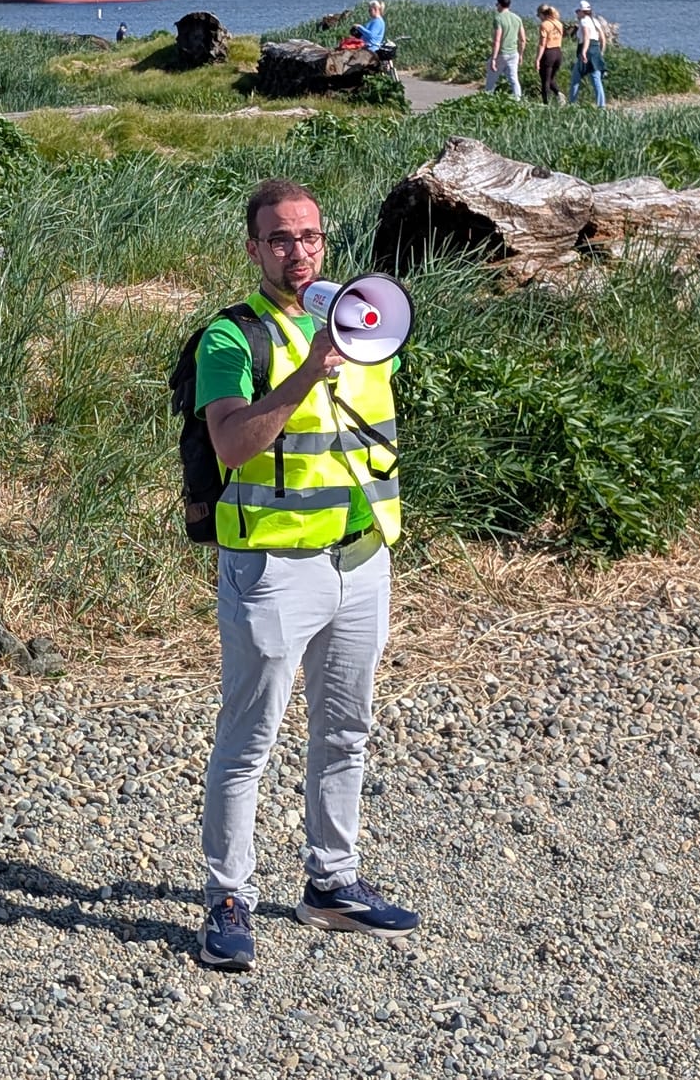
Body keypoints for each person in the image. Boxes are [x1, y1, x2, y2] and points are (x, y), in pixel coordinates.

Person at [192, 177, 420, 972]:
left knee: (346, 729)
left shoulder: (365, 325)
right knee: (249, 738)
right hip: (272, 568)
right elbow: (232, 446)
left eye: (311, 238)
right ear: (254, 249)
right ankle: (228, 896)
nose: (299, 252)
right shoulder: (230, 339)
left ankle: (333, 883)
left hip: (360, 559)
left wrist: (342, 346)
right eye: (281, 239)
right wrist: (307, 371)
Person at [486, 0, 526, 98]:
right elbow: (522, 39)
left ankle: (487, 99)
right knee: (514, 79)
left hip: (501, 54)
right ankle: (518, 100)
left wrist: (494, 58)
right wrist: (521, 54)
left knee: (491, 81)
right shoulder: (517, 18)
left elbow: (497, 40)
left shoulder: (498, 19)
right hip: (513, 53)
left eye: (497, 4)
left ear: (499, 4)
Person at [573, 0, 608, 108]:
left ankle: (572, 103)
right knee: (596, 79)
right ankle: (601, 105)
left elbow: (586, 37)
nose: (577, 13)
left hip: (587, 50)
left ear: (582, 11)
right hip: (595, 49)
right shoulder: (595, 21)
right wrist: (601, 51)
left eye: (578, 11)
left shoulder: (584, 21)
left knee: (576, 78)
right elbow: (602, 38)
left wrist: (583, 52)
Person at [535, 4, 565, 105]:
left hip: (548, 53)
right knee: (550, 78)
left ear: (542, 14)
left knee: (545, 80)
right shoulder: (559, 24)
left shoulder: (544, 25)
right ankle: (559, 94)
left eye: (539, 16)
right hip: (558, 52)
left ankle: (546, 104)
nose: (539, 18)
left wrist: (537, 59)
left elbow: (542, 44)